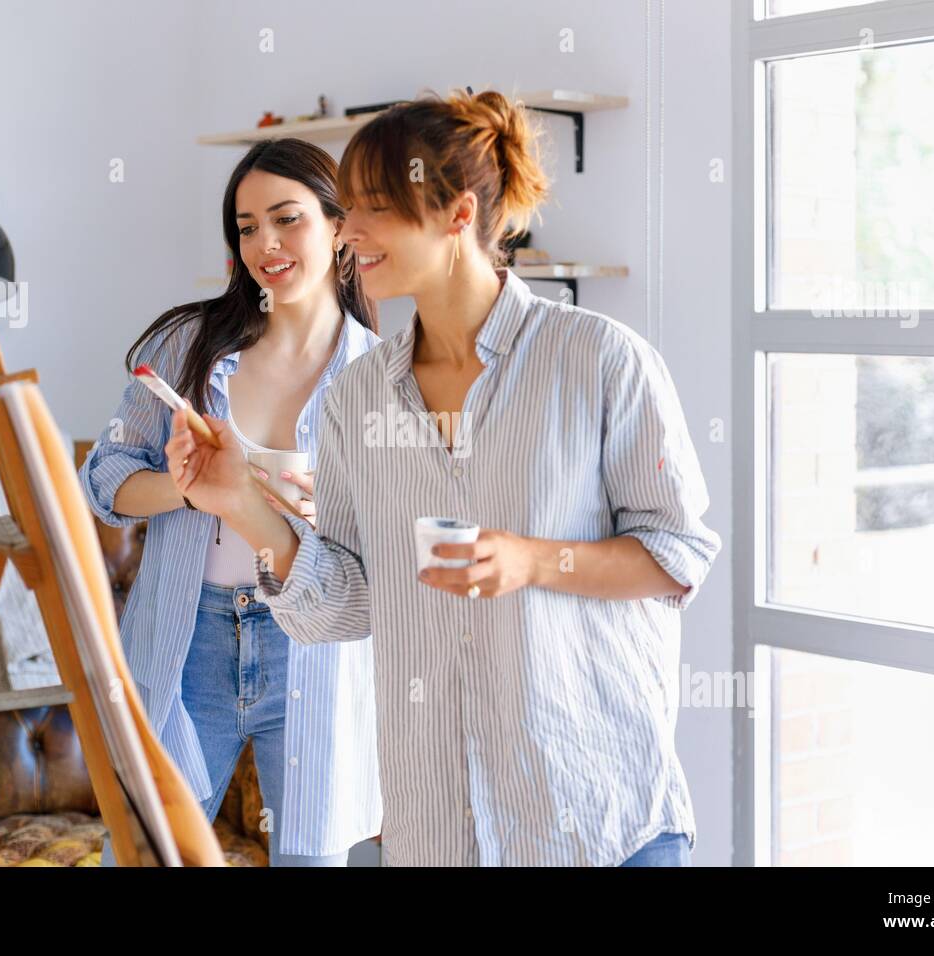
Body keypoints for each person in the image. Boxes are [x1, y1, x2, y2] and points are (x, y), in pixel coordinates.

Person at [166, 90, 721, 866]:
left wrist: (532, 560)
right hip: (440, 831)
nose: (348, 233)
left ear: (458, 215)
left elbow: (676, 553)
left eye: (374, 210)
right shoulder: (361, 394)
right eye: (347, 210)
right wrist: (246, 510)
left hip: (597, 817)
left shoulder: (598, 360)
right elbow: (348, 601)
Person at [79, 138, 382, 866]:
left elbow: (391, 546)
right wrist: (181, 487)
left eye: (287, 219)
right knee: (159, 850)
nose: (265, 244)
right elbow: (104, 476)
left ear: (339, 226)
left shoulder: (381, 374)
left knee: (309, 855)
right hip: (192, 639)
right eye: (246, 227)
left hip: (312, 648)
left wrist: (326, 517)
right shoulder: (192, 348)